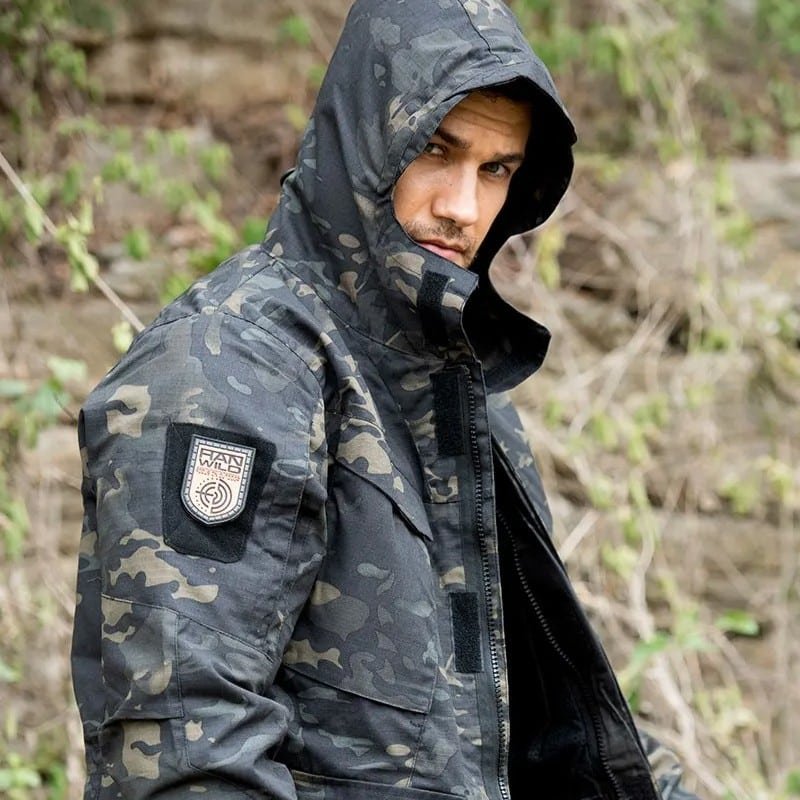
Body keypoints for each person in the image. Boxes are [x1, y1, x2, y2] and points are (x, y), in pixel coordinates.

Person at [70, 1, 701, 798]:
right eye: (437, 150)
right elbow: (184, 751)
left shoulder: (457, 388)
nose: (462, 207)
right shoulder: (225, 370)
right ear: (364, 139)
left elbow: (550, 717)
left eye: (496, 170)